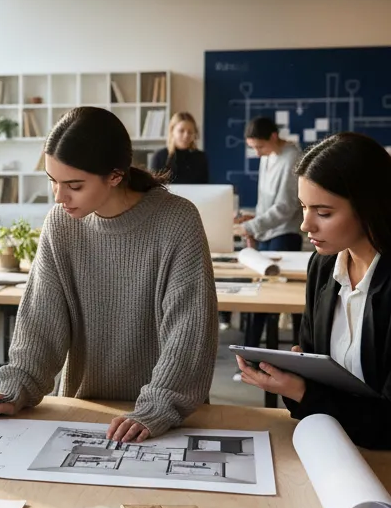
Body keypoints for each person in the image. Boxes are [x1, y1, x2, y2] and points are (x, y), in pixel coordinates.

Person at [0, 105, 218, 442]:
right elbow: (40, 323)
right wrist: (17, 388)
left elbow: (189, 331)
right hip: (86, 411)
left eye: (74, 184)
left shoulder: (177, 221)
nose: (60, 197)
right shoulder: (61, 225)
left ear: (115, 175)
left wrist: (159, 405)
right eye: (53, 182)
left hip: (164, 420)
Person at [235, 132, 391, 450]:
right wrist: (295, 381)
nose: (306, 225)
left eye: (323, 212)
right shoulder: (322, 268)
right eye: (304, 207)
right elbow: (313, 390)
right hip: (335, 450)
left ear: (369, 207)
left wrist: (302, 391)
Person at [236, 117, 303, 346]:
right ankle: (249, 356)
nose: (257, 153)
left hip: (285, 235)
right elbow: (265, 201)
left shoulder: (292, 158)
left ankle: (255, 357)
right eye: (253, 147)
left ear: (273, 137)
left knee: (267, 300)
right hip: (266, 234)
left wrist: (249, 226)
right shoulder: (268, 156)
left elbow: (285, 207)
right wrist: (252, 221)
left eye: (259, 146)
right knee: (257, 297)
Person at [150, 112, 210, 184]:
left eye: (190, 132)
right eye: (181, 131)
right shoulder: (159, 157)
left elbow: (205, 188)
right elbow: (153, 189)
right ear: (172, 131)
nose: (186, 135)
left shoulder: (201, 157)